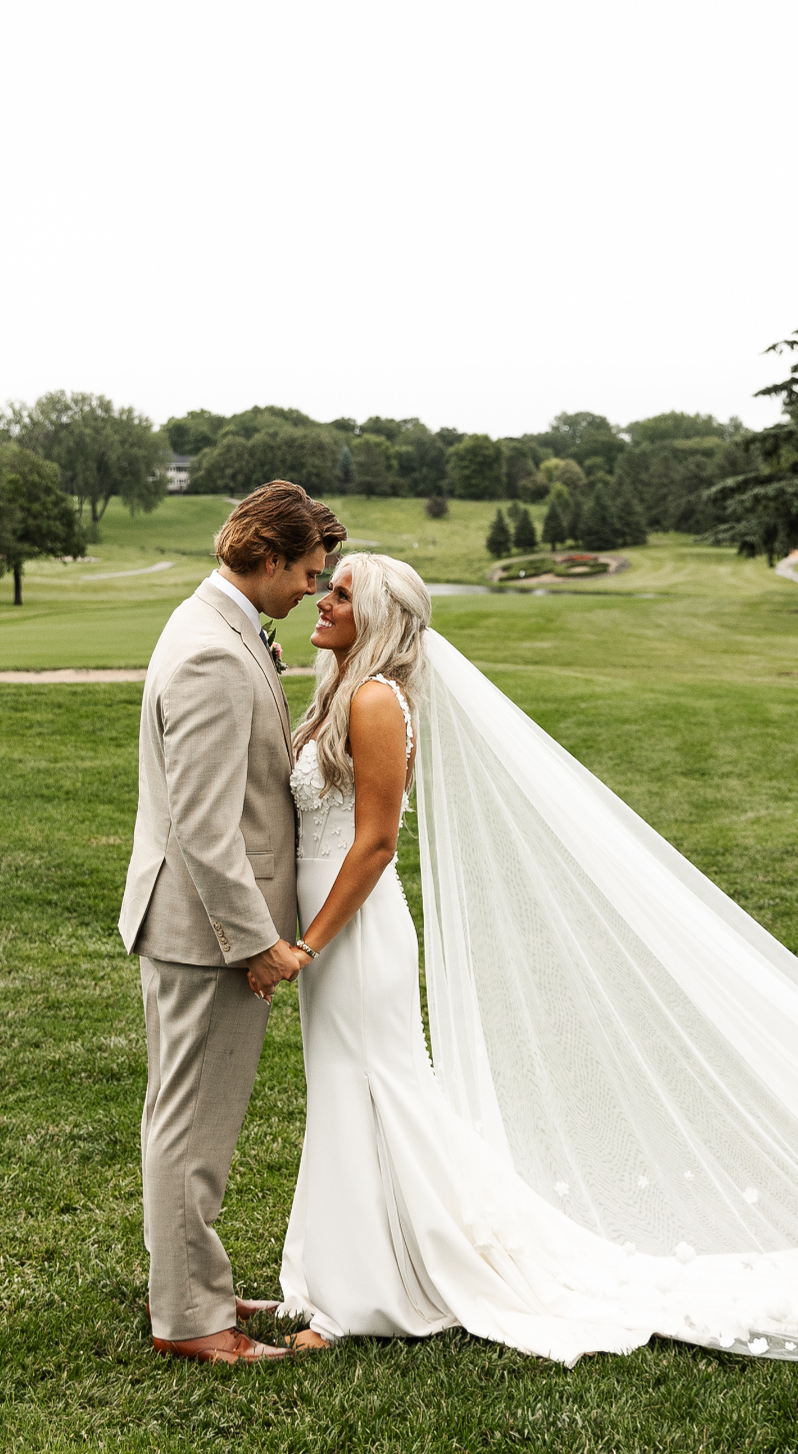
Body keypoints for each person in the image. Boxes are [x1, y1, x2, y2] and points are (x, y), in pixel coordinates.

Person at [276, 552, 798, 1374]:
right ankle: (343, 1273)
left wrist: (311, 940)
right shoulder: (341, 695)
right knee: (347, 1086)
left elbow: (379, 843)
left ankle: (368, 1295)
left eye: (342, 594)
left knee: (375, 1089)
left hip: (354, 932)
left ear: (378, 617)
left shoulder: (378, 702)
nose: (325, 600)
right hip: (331, 926)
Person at [120, 481, 346, 1364]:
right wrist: (257, 944)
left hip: (194, 927)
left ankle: (196, 1288)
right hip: (203, 934)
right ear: (266, 556)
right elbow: (205, 829)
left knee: (187, 1124)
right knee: (190, 1131)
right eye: (307, 572)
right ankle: (191, 1324)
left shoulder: (219, 625)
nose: (311, 591)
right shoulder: (211, 654)